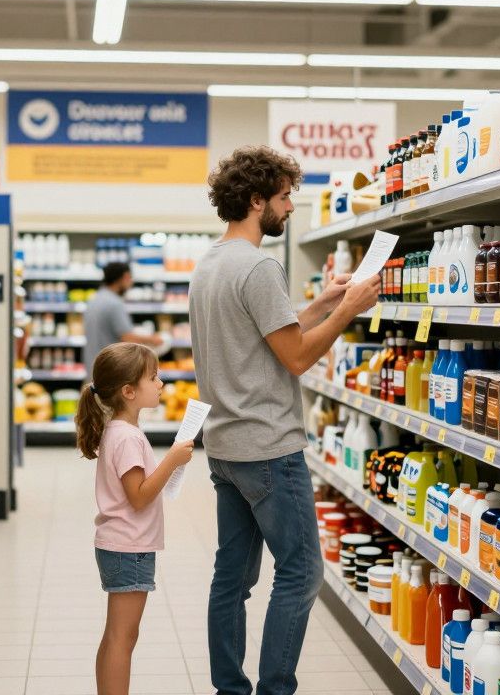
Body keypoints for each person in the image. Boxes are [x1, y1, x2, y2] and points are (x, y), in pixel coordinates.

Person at [189, 145, 381, 695]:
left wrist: (322, 303)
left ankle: (230, 688)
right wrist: (348, 311)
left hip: (226, 449)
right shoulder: (259, 265)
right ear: (256, 201)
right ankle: (275, 690)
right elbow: (295, 357)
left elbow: (263, 333)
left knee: (232, 578)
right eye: (284, 196)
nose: (291, 207)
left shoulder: (211, 264)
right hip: (270, 450)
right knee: (300, 574)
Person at [76, 342, 195, 695]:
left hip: (120, 545)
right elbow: (139, 497)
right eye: (153, 377)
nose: (161, 383)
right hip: (130, 548)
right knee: (123, 639)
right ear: (129, 391)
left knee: (116, 636)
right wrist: (172, 460)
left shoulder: (118, 430)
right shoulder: (127, 438)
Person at [82, 262, 165, 376]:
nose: (131, 283)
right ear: (124, 277)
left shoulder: (94, 299)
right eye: (130, 278)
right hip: (110, 370)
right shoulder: (114, 303)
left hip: (93, 367)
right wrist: (153, 339)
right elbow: (127, 337)